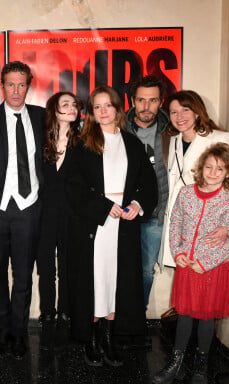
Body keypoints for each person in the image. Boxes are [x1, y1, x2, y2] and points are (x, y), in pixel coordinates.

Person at [66, 86, 157, 367]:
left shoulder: (132, 144)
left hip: (124, 227)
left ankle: (109, 339)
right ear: (91, 113)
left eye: (108, 105)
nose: (104, 111)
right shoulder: (82, 144)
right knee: (95, 282)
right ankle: (92, 341)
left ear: (118, 109)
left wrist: (138, 206)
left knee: (118, 282)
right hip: (96, 227)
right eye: (97, 107)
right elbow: (74, 188)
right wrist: (105, 208)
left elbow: (149, 184)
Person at [152, 143, 229, 384]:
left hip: (211, 270)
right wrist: (179, 251)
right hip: (187, 266)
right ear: (201, 168)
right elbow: (176, 223)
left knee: (205, 318)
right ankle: (176, 361)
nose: (213, 173)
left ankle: (201, 366)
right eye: (209, 167)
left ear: (228, 173)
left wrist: (206, 262)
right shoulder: (186, 193)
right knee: (184, 314)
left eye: (220, 169)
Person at [0, 61, 46, 359]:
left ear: (29, 85)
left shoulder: (42, 117)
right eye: (11, 84)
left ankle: (19, 334)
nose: (16, 91)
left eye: (22, 84)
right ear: (2, 86)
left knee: (24, 276)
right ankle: (3, 333)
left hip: (30, 209)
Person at [160, 90, 229, 270]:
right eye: (174, 112)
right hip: (185, 230)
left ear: (197, 111)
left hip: (212, 232)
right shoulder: (173, 140)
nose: (179, 117)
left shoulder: (221, 138)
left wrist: (227, 227)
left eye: (185, 110)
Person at [36, 91, 82, 351]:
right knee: (45, 265)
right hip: (44, 212)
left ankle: (65, 311)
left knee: (67, 263)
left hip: (72, 212)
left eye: (74, 104)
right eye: (65, 104)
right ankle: (47, 313)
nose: (72, 108)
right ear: (54, 110)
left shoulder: (84, 139)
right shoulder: (41, 139)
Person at [125, 75, 170, 310]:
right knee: (120, 268)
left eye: (152, 101)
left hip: (154, 214)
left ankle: (138, 318)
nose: (146, 107)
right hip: (123, 213)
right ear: (133, 101)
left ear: (160, 102)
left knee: (145, 271)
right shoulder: (119, 126)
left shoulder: (170, 131)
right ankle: (118, 319)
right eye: (141, 100)